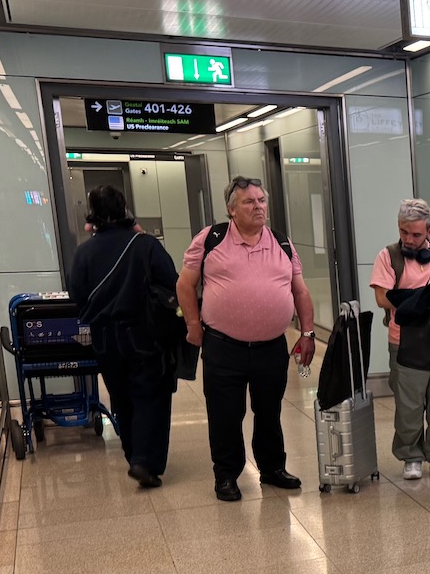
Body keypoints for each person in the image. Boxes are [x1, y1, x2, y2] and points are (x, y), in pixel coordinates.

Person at [177, 176, 316, 502]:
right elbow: (185, 285)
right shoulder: (210, 239)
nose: (258, 207)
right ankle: (226, 475)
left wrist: (307, 333)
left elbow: (300, 291)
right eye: (249, 202)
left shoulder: (282, 242)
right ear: (231, 209)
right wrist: (193, 325)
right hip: (224, 346)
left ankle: (272, 468)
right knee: (225, 414)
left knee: (269, 412)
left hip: (271, 346)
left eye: (262, 200)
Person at [67, 185, 179, 488]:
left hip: (104, 338)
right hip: (143, 333)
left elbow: (76, 294)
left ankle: (133, 455)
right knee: (150, 394)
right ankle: (145, 461)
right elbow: (173, 283)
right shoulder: (144, 245)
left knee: (122, 396)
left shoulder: (84, 252)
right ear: (125, 208)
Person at [371, 199, 430, 481]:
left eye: (416, 234)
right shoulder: (388, 256)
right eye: (404, 232)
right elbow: (381, 298)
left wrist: (405, 298)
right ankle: (411, 454)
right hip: (404, 341)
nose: (409, 240)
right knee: (409, 403)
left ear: (429, 230)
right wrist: (427, 298)